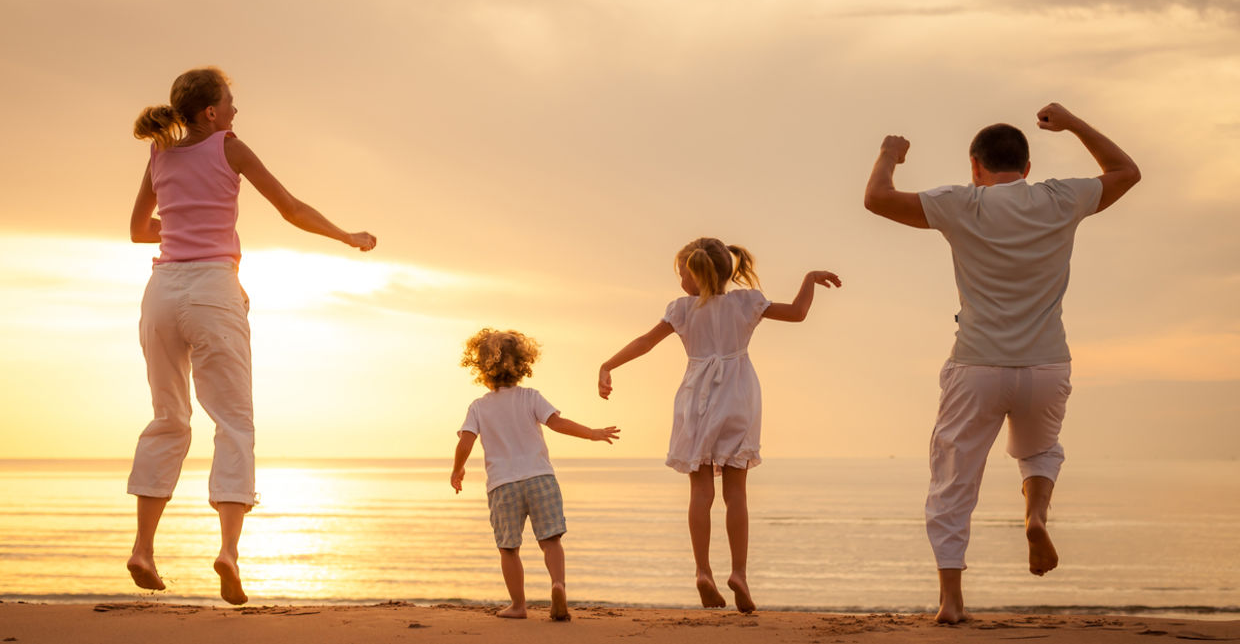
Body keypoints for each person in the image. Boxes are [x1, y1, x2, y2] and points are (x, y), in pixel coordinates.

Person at [862, 103, 1140, 623]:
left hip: (978, 366)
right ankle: (1034, 517)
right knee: (1040, 451)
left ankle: (951, 598)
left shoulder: (962, 204)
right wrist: (1075, 123)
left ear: (975, 166)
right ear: (1027, 167)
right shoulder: (1062, 198)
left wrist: (889, 155)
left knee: (954, 477)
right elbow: (1126, 172)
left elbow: (876, 198)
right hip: (1046, 365)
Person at [126, 67, 377, 605]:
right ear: (211, 113)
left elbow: (138, 230)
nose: (236, 111)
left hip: (161, 291)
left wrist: (184, 225)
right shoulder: (229, 146)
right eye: (229, 103)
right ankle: (228, 553)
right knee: (233, 421)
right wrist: (346, 235)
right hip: (214, 289)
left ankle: (144, 548)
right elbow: (290, 208)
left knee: (169, 417)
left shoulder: (159, 154)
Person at [598, 238, 841, 613]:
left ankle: (702, 572)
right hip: (738, 398)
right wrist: (808, 278)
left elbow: (645, 342)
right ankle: (740, 573)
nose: (679, 279)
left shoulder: (681, 309)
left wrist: (608, 366)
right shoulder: (746, 302)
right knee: (736, 493)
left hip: (695, 400)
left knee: (700, 492)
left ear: (693, 275)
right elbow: (797, 313)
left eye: (681, 272)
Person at [451, 328, 620, 621]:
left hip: (503, 486)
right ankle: (557, 585)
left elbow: (465, 441)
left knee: (508, 548)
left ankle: (518, 605)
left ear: (481, 368)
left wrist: (458, 470)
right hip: (540, 478)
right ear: (522, 364)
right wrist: (592, 433)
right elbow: (558, 423)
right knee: (551, 540)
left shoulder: (478, 407)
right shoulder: (530, 397)